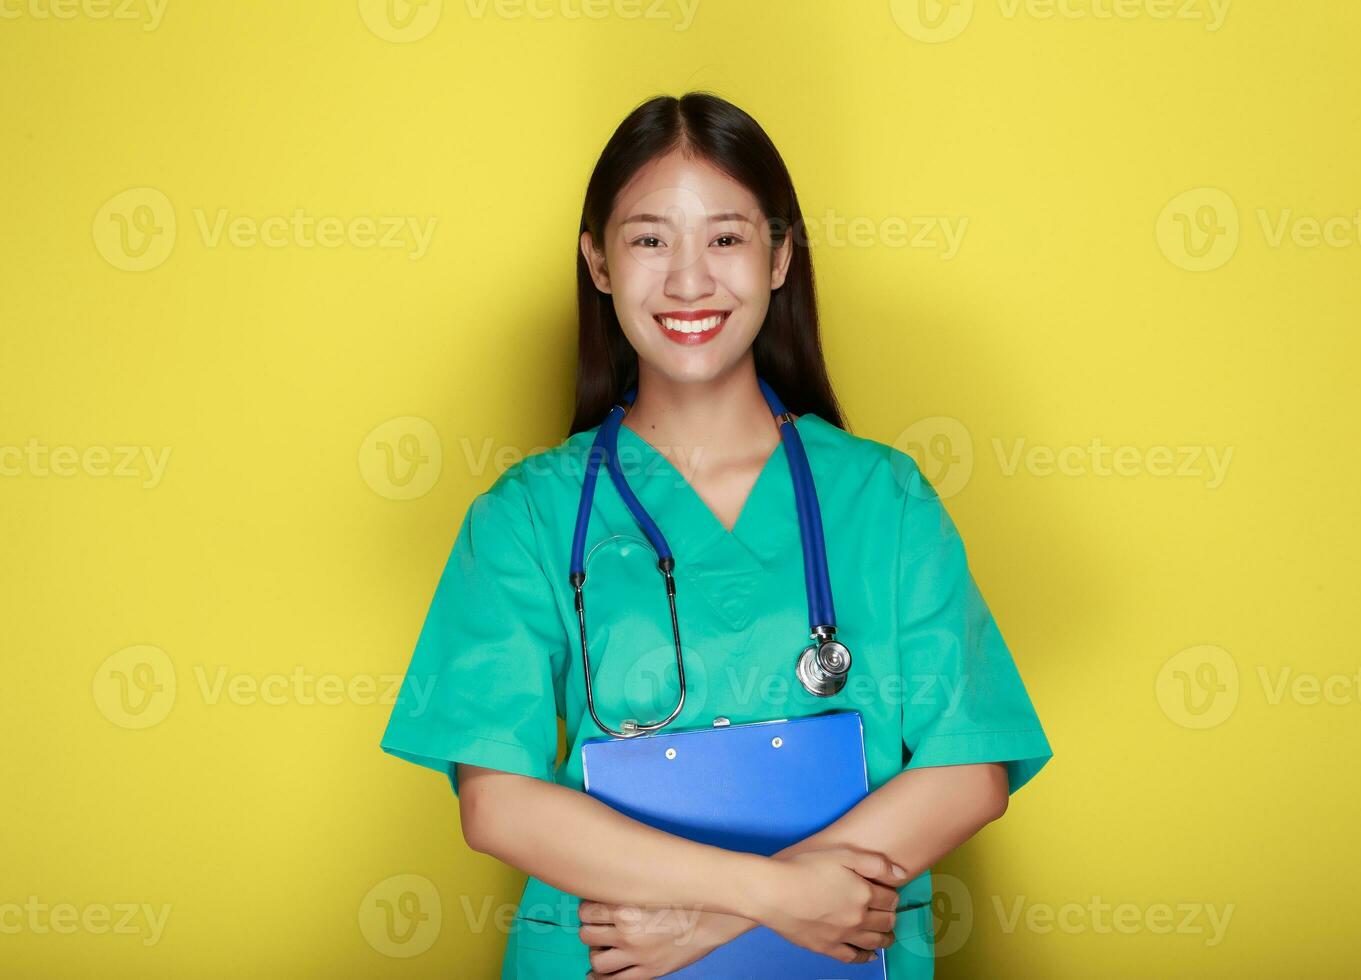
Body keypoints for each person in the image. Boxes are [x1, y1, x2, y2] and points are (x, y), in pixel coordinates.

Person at [379, 91, 1053, 979]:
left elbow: (971, 768)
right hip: (608, 960)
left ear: (779, 257)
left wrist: (699, 922)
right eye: (650, 239)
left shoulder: (883, 497)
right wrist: (774, 898)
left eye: (726, 238)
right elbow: (497, 805)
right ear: (598, 262)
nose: (689, 280)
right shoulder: (528, 516)